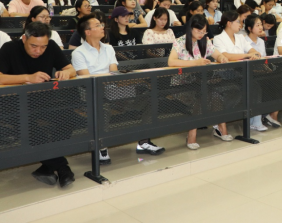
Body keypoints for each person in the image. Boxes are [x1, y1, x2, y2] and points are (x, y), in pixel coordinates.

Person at [73, 15, 165, 161]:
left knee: (150, 97)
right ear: (87, 32)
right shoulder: (78, 53)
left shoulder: (108, 48)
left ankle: (143, 141)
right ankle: (101, 147)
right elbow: (87, 79)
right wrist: (109, 83)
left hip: (113, 89)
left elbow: (113, 73)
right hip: (92, 93)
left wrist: (119, 85)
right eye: (97, 25)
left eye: (101, 24)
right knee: (102, 106)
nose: (102, 27)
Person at [0, 22, 77, 187]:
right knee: (33, 130)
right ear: (24, 39)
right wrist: (27, 77)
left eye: (43, 47)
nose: (39, 51)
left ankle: (47, 167)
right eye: (33, 46)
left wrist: (66, 72)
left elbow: (71, 69)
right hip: (13, 105)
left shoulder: (51, 46)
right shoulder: (9, 48)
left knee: (70, 118)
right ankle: (62, 168)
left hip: (43, 101)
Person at [167, 14, 230, 148]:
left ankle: (221, 128)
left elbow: (217, 54)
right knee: (203, 96)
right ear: (191, 28)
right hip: (182, 85)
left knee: (214, 94)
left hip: (201, 84)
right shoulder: (180, 41)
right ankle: (192, 135)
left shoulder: (205, 41)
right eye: (199, 31)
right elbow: (171, 62)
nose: (201, 34)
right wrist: (196, 63)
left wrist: (221, 58)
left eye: (204, 31)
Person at [213, 12, 265, 130]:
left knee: (256, 86)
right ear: (229, 23)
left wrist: (253, 54)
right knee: (239, 90)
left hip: (241, 72)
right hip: (225, 73)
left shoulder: (240, 38)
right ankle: (219, 120)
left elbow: (254, 52)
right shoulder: (218, 38)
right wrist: (246, 55)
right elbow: (226, 56)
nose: (240, 24)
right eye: (237, 22)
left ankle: (255, 120)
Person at [242, 15, 281, 128]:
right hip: (250, 73)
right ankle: (257, 118)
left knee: (277, 81)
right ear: (249, 28)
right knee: (260, 86)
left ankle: (267, 114)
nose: (260, 28)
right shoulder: (244, 41)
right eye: (257, 25)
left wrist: (267, 69)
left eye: (260, 25)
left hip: (261, 72)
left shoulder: (261, 42)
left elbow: (263, 60)